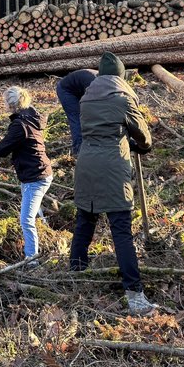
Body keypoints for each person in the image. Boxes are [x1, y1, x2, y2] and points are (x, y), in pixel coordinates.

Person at [70, 53, 156, 316]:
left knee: (85, 220)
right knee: (121, 231)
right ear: (120, 76)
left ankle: (76, 273)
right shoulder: (123, 99)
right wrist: (139, 146)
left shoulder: (86, 99)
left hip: (86, 164)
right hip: (112, 167)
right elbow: (143, 136)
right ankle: (134, 294)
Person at [0, 86, 53, 266]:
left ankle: (31, 259)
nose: (3, 105)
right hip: (37, 172)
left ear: (11, 104)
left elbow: (1, 150)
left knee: (26, 219)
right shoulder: (29, 117)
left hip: (35, 176)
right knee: (30, 210)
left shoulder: (20, 125)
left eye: (5, 102)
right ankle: (46, 234)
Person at [55, 69, 97, 156]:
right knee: (77, 118)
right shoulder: (93, 83)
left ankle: (89, 143)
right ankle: (78, 150)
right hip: (66, 90)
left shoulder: (105, 82)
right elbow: (92, 107)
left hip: (79, 89)